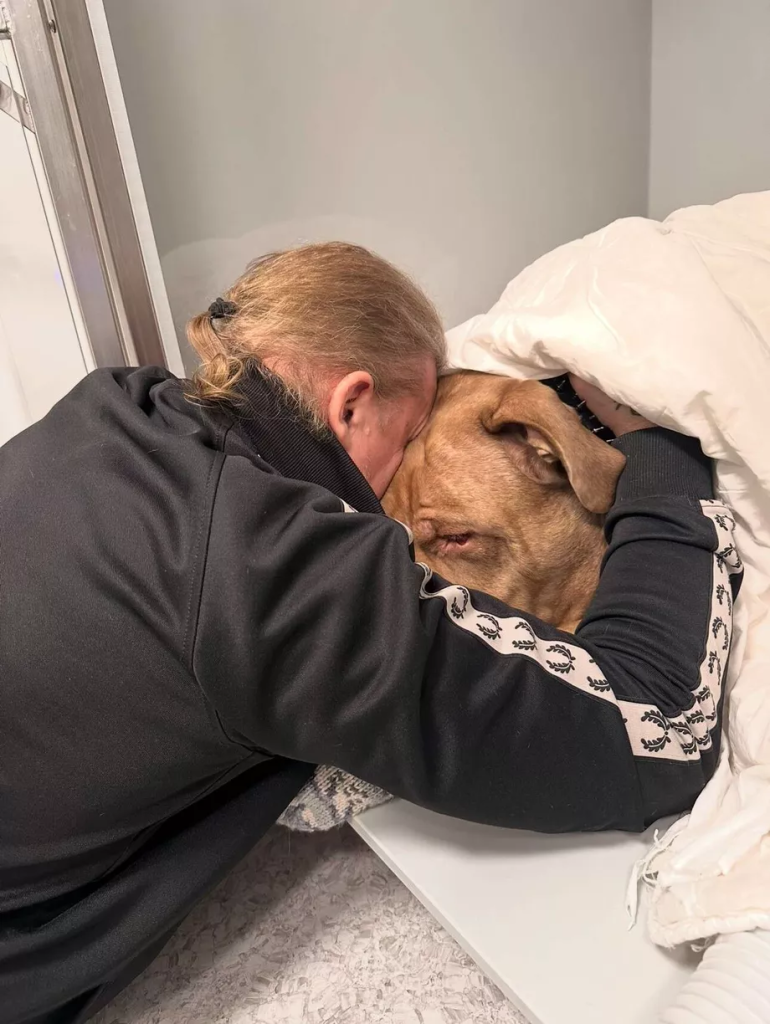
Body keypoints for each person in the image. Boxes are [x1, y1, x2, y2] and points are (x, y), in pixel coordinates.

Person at [0, 243, 741, 1023]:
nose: (412, 458)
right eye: (415, 425)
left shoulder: (111, 406)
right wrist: (661, 443)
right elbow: (664, 729)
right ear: (351, 404)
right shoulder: (275, 573)